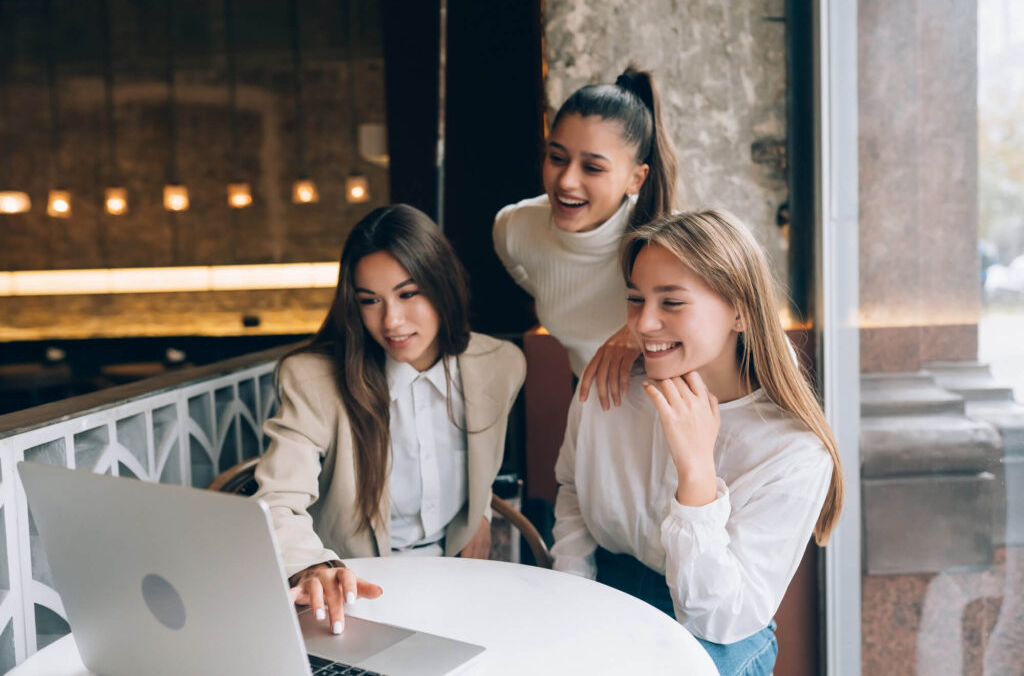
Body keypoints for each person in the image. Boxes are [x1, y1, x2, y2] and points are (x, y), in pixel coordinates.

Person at [550, 210, 844, 676]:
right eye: (635, 298)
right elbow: (571, 491)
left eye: (671, 303)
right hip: (605, 589)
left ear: (741, 312)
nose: (643, 323)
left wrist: (697, 477)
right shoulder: (609, 385)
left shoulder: (795, 453)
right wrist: (571, 596)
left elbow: (717, 618)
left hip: (717, 631)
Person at [254, 204, 526, 635]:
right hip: (357, 596)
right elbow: (277, 500)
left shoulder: (501, 366)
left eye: (407, 293)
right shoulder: (314, 380)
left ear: (442, 286)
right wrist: (314, 565)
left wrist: (481, 512)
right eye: (370, 301)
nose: (391, 321)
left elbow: (483, 461)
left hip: (460, 585)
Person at [492, 64, 678, 409]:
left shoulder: (675, 242)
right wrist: (545, 289)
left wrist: (640, 330)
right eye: (556, 158)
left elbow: (740, 315)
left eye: (592, 167)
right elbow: (517, 263)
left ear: (635, 179)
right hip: (595, 405)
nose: (565, 181)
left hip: (677, 409)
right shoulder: (516, 227)